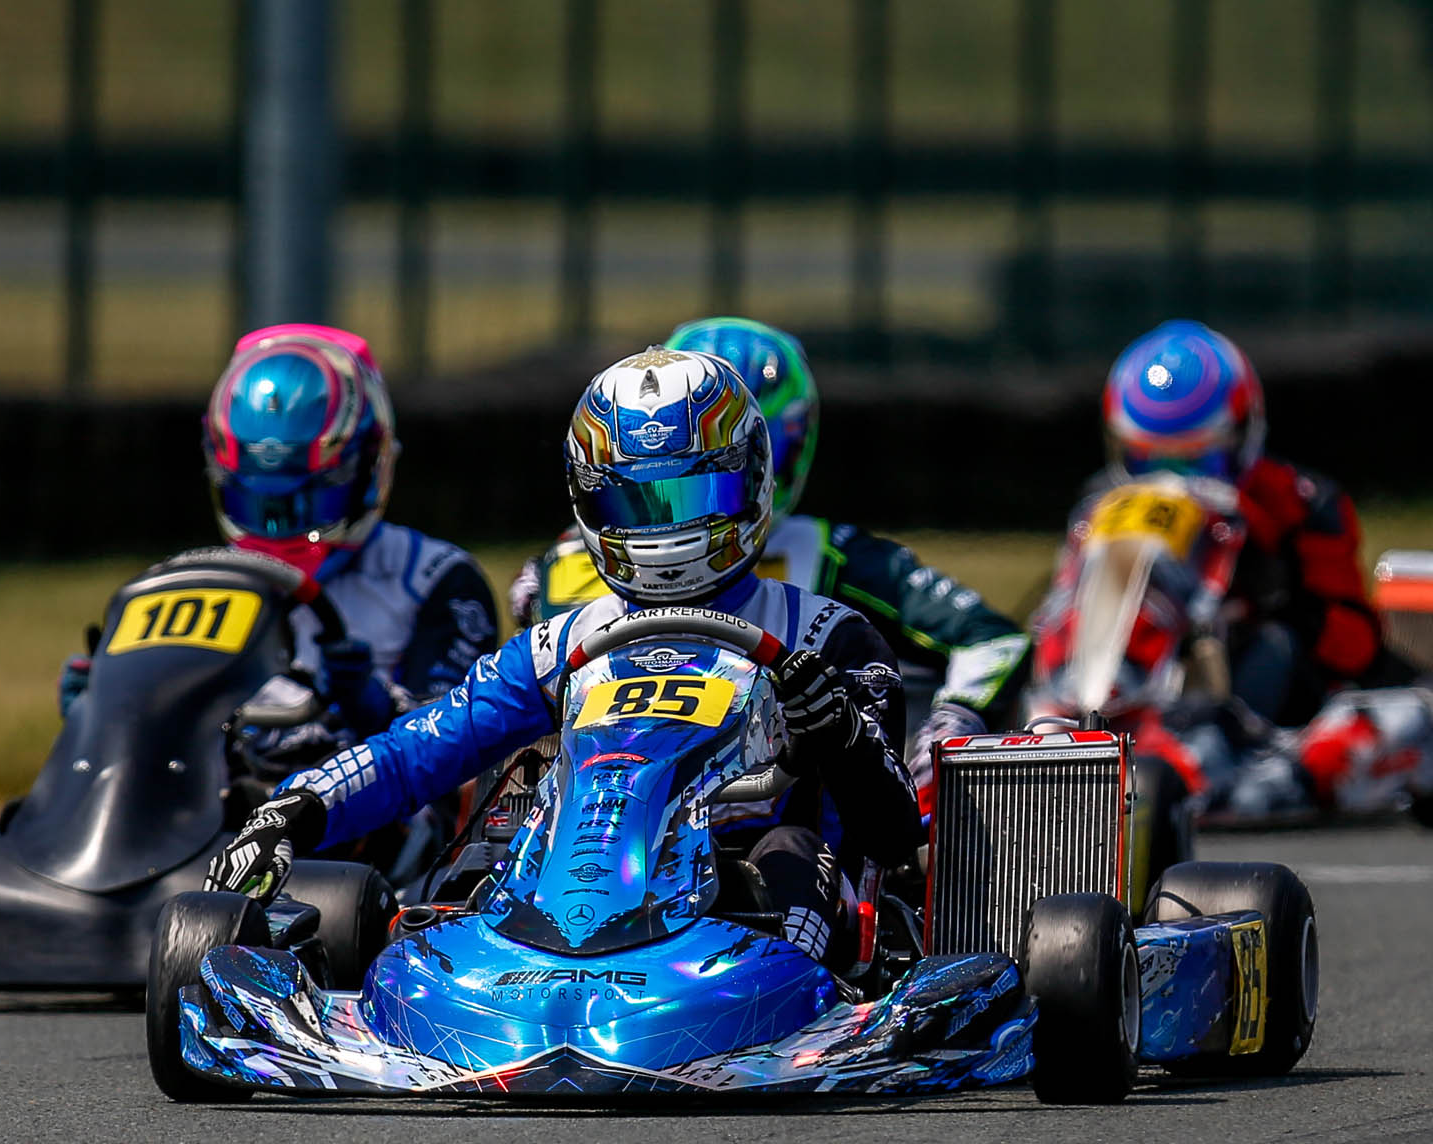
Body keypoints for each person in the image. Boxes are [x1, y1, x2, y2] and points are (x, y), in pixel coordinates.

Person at [206, 347, 924, 973]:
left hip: (744, 905)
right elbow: (418, 750)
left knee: (792, 850)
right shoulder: (562, 642)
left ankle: (791, 995)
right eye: (636, 506)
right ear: (590, 507)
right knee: (484, 853)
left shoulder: (825, 635)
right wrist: (295, 811)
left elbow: (893, 833)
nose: (666, 526)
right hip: (577, 880)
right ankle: (500, 974)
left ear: (751, 484)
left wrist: (838, 731)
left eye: (693, 494)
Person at [509, 316, 1030, 780]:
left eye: (722, 470)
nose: (690, 494)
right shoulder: (559, 565)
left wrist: (947, 727)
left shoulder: (831, 553)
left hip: (758, 796)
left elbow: (993, 640)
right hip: (597, 793)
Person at [61, 325, 499, 761]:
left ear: (369, 466)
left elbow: (458, 757)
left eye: (309, 501)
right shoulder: (190, 588)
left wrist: (375, 707)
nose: (281, 528)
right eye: (259, 502)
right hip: (222, 801)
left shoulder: (438, 581)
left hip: (366, 797)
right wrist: (101, 716)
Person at [1082, 318, 1393, 728]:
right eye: (1148, 460)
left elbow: (1360, 649)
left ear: (1245, 432)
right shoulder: (1100, 503)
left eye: (1196, 460)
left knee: (1274, 644)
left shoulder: (1301, 503)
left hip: (1261, 711)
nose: (1173, 480)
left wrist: (1283, 598)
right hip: (1136, 674)